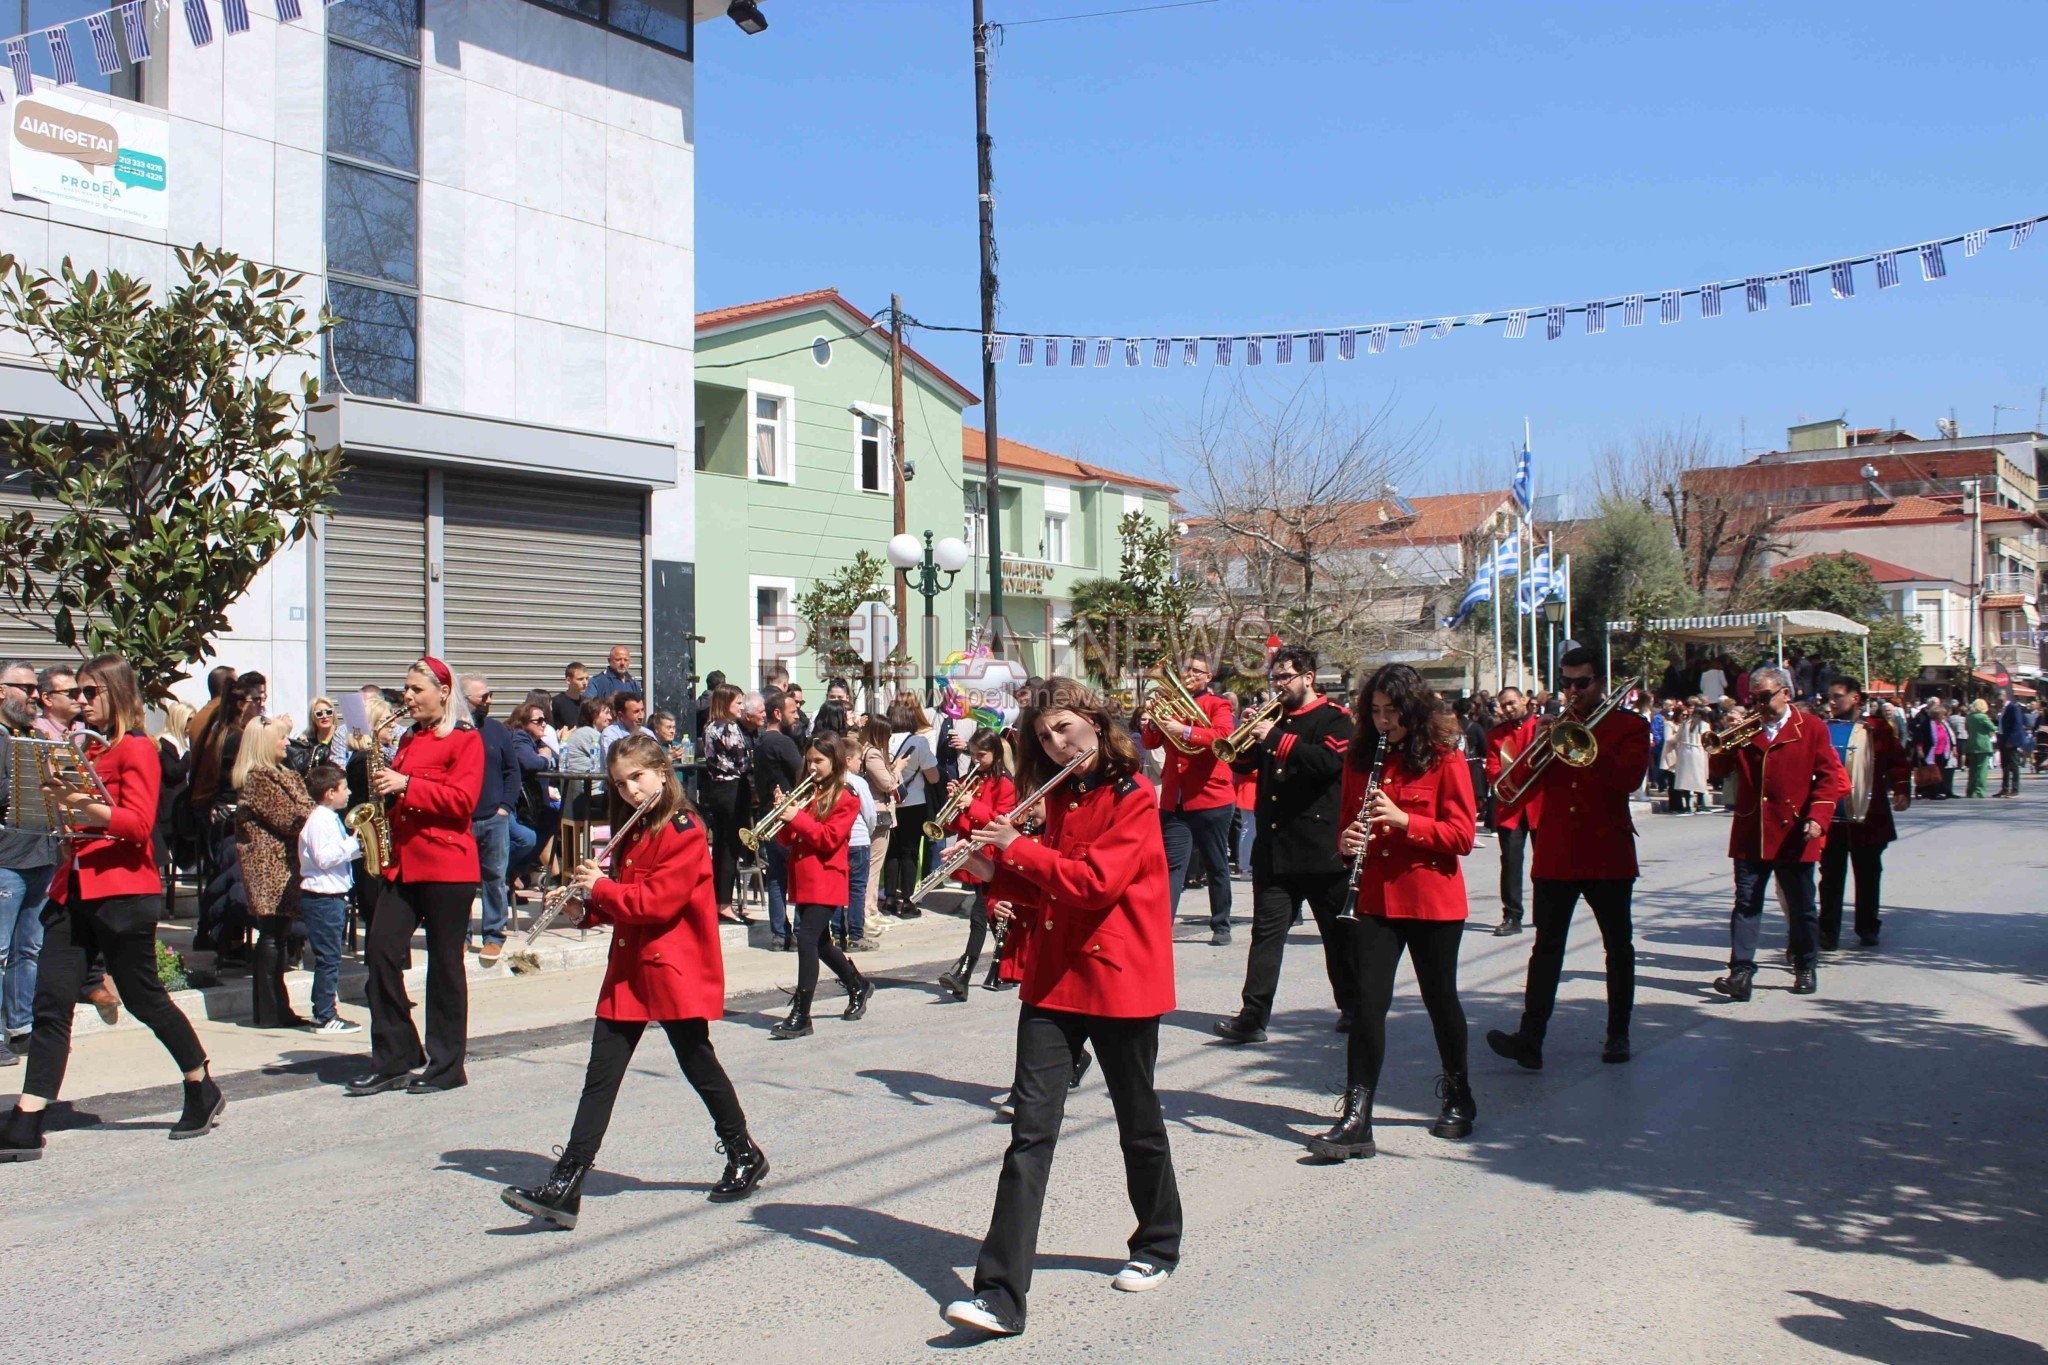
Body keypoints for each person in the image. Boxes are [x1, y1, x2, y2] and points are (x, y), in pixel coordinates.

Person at [942, 678, 1180, 1340]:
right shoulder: (1061, 794)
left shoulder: (1133, 795)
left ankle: (1159, 1242)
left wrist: (1015, 848)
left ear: (1097, 724)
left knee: (1137, 1117)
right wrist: (990, 870)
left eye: (1066, 728)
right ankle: (1000, 1294)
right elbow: (1048, 879)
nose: (1056, 742)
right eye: (1044, 735)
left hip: (1118, 976)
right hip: (1054, 980)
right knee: (1030, 1130)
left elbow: (1093, 881)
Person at [501, 733, 767, 1228]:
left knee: (698, 1063)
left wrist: (602, 887)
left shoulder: (684, 829)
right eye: (620, 783)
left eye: (637, 778)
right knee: (600, 1076)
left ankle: (743, 1151)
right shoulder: (635, 827)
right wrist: (584, 906)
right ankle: (567, 1184)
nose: (629, 791)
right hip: (631, 968)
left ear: (663, 772)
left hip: (670, 968)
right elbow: (624, 901)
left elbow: (656, 903)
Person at [1, 654, 223, 1160]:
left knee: (145, 998)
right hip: (72, 891)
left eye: (90, 693)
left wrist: (82, 805)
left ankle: (200, 1083)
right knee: (50, 1003)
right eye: (77, 694)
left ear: (117, 694)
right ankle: (29, 1115)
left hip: (122, 893)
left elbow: (138, 825)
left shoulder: (136, 750)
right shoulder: (90, 751)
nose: (80, 702)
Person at [1312, 664, 1478, 1160]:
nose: (1384, 722)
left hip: (1431, 898)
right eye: (1377, 712)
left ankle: (1458, 1094)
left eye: (1393, 712)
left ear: (1414, 710)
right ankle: (1357, 1116)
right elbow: (1345, 831)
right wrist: (1347, 841)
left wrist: (1406, 821)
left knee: (1439, 999)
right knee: (1366, 1005)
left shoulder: (1445, 758)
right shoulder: (1362, 761)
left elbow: (1463, 836)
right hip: (1377, 898)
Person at [1484, 649, 1651, 1070]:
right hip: (1557, 853)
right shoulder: (1550, 727)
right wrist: (1543, 740)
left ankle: (1618, 1033)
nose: (1573, 692)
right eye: (1568, 683)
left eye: (1583, 683)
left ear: (1601, 682)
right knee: (1546, 948)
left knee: (1618, 947)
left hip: (1606, 851)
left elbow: (1628, 780)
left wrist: (1586, 747)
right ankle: (1531, 1037)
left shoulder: (1630, 726)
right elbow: (1514, 786)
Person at [347, 657, 485, 1097]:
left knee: (444, 966)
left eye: (415, 690)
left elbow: (462, 801)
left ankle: (447, 1065)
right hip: (403, 863)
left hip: (447, 865)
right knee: (381, 952)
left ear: (442, 692)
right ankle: (396, 1057)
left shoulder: (465, 740)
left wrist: (406, 785)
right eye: (405, 689)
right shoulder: (408, 736)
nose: (406, 697)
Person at [1213, 647, 1356, 1044]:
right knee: (1266, 934)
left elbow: (1329, 763)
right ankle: (1253, 1016)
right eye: (1274, 679)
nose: (1278, 686)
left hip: (1320, 848)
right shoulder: (1274, 719)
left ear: (1308, 677)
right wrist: (1243, 743)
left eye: (1285, 678)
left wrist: (1275, 737)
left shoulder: (1335, 719)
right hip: (1275, 848)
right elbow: (1243, 767)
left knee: (1336, 936)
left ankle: (1353, 1007)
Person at [1706, 667, 1848, 1002]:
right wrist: (1724, 743)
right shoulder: (1748, 729)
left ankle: (1804, 963)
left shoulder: (1811, 727)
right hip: (1752, 830)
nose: (1759, 705)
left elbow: (1828, 778)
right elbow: (1718, 773)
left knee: (1801, 906)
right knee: (1746, 903)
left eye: (1765, 698)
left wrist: (1818, 817)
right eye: (1753, 699)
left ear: (1785, 692)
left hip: (1794, 831)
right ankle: (1740, 972)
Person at [767, 734, 874, 1038]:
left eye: (819, 761)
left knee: (806, 940)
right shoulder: (808, 794)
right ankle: (857, 984)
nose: (812, 766)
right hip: (804, 877)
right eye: (809, 760)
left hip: (827, 878)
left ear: (835, 761)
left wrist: (796, 817)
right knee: (821, 943)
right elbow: (787, 839)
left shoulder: (847, 797)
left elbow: (829, 839)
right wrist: (784, 816)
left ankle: (802, 1014)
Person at [1139, 656, 1236, 947]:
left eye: (1197, 671)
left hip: (1211, 796)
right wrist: (1155, 722)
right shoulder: (1170, 703)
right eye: (1187, 669)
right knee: (1171, 866)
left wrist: (1184, 731)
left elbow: (1224, 735)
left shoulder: (1218, 704)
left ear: (1209, 677)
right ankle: (1161, 925)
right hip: (1175, 799)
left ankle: (1221, 924)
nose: (1190, 674)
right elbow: (1149, 743)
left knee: (1216, 863)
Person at [1817, 678, 1911, 951]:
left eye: (1837, 696)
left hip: (1870, 812)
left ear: (1856, 698)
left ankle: (1868, 927)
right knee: (1831, 876)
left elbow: (1897, 762)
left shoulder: (1878, 729)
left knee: (1868, 874)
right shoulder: (1824, 729)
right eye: (1829, 697)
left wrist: (1902, 788)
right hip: (1833, 815)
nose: (1831, 702)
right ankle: (1828, 931)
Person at [232, 715, 312, 1028]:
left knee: (279, 934)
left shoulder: (282, 773)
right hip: (269, 866)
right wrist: (313, 812)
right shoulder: (258, 778)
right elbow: (291, 817)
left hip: (285, 863)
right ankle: (269, 1010)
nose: (286, 743)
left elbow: (302, 807)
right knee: (272, 934)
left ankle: (279, 1007)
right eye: (280, 738)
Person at [0, 661, 60, 1064]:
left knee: (29, 949)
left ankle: (21, 1027)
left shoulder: (34, 737)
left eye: (36, 687)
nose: (34, 694)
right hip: (6, 860)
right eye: (24, 687)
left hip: (41, 856)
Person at [938, 732, 1019, 1000]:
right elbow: (955, 825)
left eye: (981, 755)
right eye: (972, 755)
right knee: (989, 913)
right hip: (970, 853)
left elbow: (1000, 821)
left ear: (995, 753)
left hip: (992, 855)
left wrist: (971, 804)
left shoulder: (1005, 784)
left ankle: (964, 973)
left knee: (980, 913)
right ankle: (1009, 964)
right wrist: (954, 806)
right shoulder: (969, 781)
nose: (975, 760)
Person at [296, 764, 363, 1033]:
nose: (349, 793)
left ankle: (323, 1011)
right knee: (329, 959)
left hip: (330, 896)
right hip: (322, 898)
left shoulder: (327, 818)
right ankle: (324, 1015)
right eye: (344, 788)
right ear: (328, 793)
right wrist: (353, 844)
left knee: (330, 957)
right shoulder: (320, 820)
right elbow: (324, 858)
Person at [462, 676, 523, 966]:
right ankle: (460, 936)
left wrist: (505, 807)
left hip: (493, 817)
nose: (489, 702)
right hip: (461, 819)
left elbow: (513, 771)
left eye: (490, 696)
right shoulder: (453, 731)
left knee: (495, 878)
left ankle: (493, 935)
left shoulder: (497, 730)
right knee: (461, 881)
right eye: (483, 697)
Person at [750, 689, 804, 950]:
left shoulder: (760, 742)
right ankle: (799, 934)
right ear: (777, 713)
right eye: (792, 712)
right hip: (787, 817)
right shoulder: (782, 742)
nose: (796, 717)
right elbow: (803, 774)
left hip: (768, 817)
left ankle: (779, 934)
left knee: (776, 876)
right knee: (798, 873)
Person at [1483, 686, 1539, 936]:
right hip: (1511, 806)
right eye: (1503, 705)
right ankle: (1512, 916)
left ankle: (1545, 913)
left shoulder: (1542, 727)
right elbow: (1494, 771)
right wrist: (1511, 778)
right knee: (1511, 864)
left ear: (1524, 700)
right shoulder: (1496, 734)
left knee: (1546, 865)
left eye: (1512, 703)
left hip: (1540, 805)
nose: (1508, 709)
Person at [880, 697, 941, 919]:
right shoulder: (919, 742)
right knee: (910, 852)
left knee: (891, 851)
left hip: (888, 802)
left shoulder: (881, 740)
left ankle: (888, 898)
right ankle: (907, 901)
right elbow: (933, 777)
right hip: (913, 803)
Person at [698, 685, 750, 924]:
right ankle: (724, 904)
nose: (741, 707)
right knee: (730, 848)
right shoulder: (728, 726)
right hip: (732, 789)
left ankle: (718, 900)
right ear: (725, 702)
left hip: (716, 789)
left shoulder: (709, 726)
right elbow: (742, 760)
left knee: (720, 847)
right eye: (738, 702)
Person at [853, 715, 900, 934]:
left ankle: (870, 908)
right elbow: (887, 783)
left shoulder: (866, 750)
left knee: (873, 865)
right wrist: (898, 768)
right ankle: (866, 910)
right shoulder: (872, 753)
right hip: (878, 812)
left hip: (876, 812)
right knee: (873, 865)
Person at [834, 736, 878, 952]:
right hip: (859, 839)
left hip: (838, 840)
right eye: (859, 759)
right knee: (857, 890)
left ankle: (835, 934)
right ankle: (855, 935)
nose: (861, 764)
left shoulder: (830, 780)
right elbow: (869, 813)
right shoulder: (858, 782)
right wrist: (868, 834)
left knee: (837, 888)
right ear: (848, 759)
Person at [557, 695, 611, 862]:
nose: (610, 717)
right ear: (594, 714)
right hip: (588, 797)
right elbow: (609, 763)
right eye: (606, 713)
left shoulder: (582, 733)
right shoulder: (591, 735)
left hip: (574, 799)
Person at [287, 699, 351, 777]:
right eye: (319, 714)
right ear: (313, 717)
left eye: (328, 712)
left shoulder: (342, 737)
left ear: (333, 715)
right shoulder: (307, 740)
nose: (324, 716)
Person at [1670, 699, 1710, 814]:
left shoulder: (1685, 724)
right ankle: (1700, 804)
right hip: (1698, 751)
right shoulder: (1704, 725)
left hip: (1685, 752)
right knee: (1699, 778)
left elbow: (1677, 738)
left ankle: (1687, 805)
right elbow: (1708, 740)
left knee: (1686, 779)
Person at [1995, 694, 2028, 797]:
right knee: (2004, 765)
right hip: (2003, 740)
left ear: (2002, 699)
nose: (1996, 705)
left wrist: (2011, 740)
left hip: (2010, 741)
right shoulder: (2003, 710)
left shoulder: (2013, 707)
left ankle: (2015, 789)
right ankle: (2004, 788)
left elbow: (2017, 724)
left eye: (1997, 702)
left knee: (2013, 765)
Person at [1963, 698, 1996, 798]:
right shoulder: (1983, 717)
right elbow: (1992, 728)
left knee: (1972, 769)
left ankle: (1970, 790)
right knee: (1982, 770)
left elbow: (1967, 728)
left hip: (1972, 744)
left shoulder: (1969, 717)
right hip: (1983, 745)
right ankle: (1979, 791)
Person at [600, 692, 647, 759]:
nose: (641, 716)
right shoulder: (610, 735)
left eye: (642, 710)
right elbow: (613, 765)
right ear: (621, 716)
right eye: (636, 712)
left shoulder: (648, 733)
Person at [552, 662, 591, 733]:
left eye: (587, 678)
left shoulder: (587, 702)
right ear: (568, 680)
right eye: (580, 679)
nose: (585, 682)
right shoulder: (557, 702)